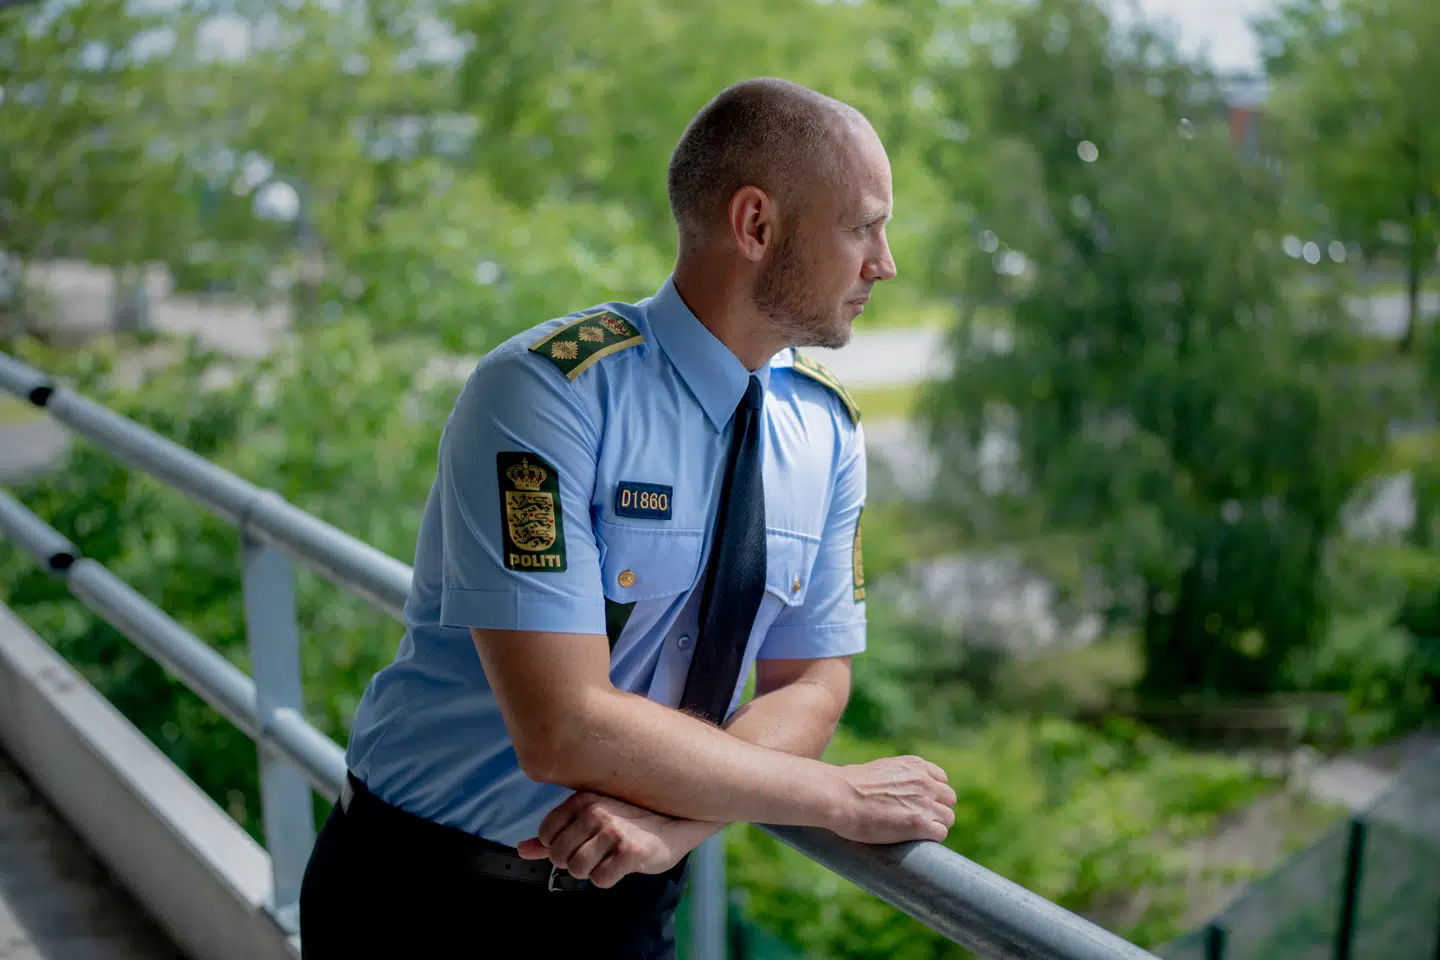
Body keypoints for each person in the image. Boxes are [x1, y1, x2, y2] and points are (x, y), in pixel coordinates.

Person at [298, 76, 956, 959]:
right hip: (426, 900)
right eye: (862, 226)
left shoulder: (826, 432)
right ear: (756, 226)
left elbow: (811, 681)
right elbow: (562, 726)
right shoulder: (544, 393)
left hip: (629, 905)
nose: (884, 261)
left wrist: (674, 829)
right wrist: (836, 801)